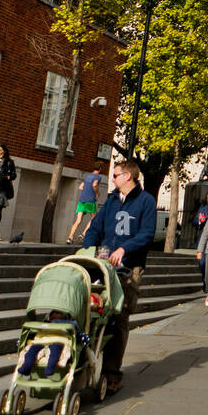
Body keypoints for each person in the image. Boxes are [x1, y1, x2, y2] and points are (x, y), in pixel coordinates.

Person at [84, 159, 155, 394]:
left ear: (127, 176)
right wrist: (87, 249)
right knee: (93, 313)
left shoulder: (145, 201)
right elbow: (96, 227)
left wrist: (125, 249)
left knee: (119, 317)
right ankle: (85, 365)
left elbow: (147, 234)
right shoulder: (112, 200)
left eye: (115, 175)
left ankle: (111, 374)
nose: (111, 179)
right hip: (103, 264)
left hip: (130, 267)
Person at [67, 166, 102, 245]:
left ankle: (70, 238)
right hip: (90, 201)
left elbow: (80, 187)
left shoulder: (88, 176)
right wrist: (97, 193)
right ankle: (83, 234)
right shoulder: (98, 177)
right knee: (94, 218)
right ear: (99, 169)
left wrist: (86, 190)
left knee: (78, 220)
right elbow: (95, 185)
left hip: (82, 200)